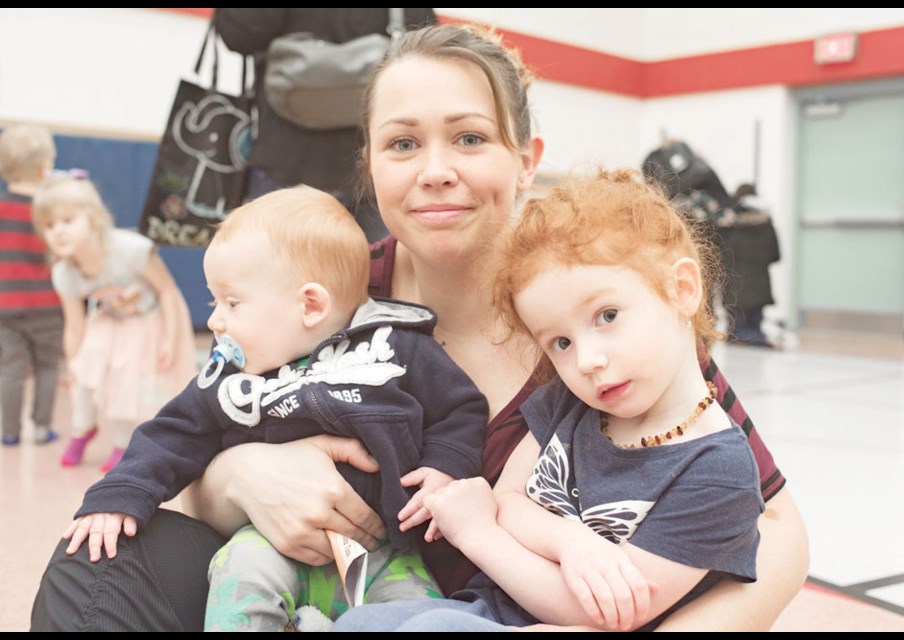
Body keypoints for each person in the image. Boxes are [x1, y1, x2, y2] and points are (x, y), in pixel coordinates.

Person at [31, 23, 809, 632]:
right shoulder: (322, 294)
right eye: (404, 144)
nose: (435, 168)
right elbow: (192, 436)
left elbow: (777, 527)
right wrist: (242, 478)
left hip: (520, 608)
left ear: (526, 159)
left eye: (470, 138)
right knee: (97, 560)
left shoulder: (591, 308)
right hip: (322, 584)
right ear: (372, 166)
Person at [332, 168, 764, 632]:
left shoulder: (718, 469)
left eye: (607, 315)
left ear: (682, 289)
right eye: (560, 342)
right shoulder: (570, 403)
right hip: (491, 607)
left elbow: (603, 611)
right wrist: (569, 540)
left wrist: (477, 533)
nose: (587, 360)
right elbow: (510, 498)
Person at [60, 185, 488, 632]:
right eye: (213, 301)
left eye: (231, 302)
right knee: (240, 579)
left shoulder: (397, 348)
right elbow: (171, 432)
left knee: (425, 617)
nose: (214, 320)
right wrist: (118, 497)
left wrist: (444, 467)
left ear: (310, 305)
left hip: (387, 553)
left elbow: (459, 410)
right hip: (267, 543)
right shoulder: (231, 379)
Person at [213, 8, 438, 244]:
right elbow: (424, 51)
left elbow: (239, 32)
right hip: (373, 168)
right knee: (379, 276)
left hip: (290, 161)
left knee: (270, 275)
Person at [30, 174, 197, 472]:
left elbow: (168, 292)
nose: (58, 232)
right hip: (109, 322)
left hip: (149, 321)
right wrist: (73, 365)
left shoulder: (130, 250)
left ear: (93, 219)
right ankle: (83, 428)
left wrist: (171, 339)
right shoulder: (65, 273)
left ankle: (122, 442)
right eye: (50, 225)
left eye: (67, 220)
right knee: (85, 369)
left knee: (126, 380)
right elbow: (74, 324)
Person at [0, 124, 64, 446]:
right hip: (47, 305)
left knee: (10, 369)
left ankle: (8, 432)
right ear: (44, 168)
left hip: (5, 306)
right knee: (48, 366)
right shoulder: (50, 212)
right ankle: (41, 428)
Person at [718, 183, 781, 348]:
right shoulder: (766, 224)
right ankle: (763, 340)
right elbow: (776, 255)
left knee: (736, 334)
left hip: (735, 290)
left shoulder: (729, 225)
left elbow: (721, 256)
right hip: (759, 289)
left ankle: (762, 340)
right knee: (753, 330)